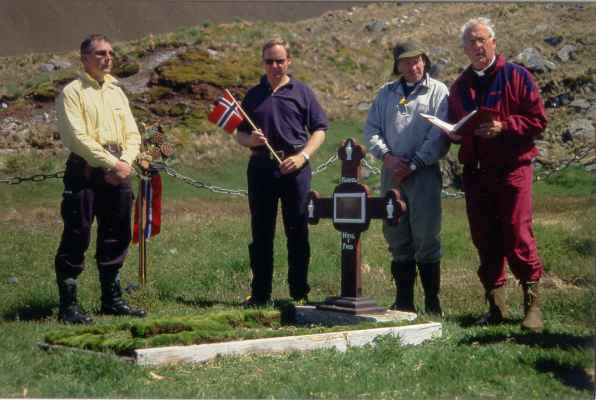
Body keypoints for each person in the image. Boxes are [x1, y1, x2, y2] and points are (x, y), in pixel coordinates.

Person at [446, 18, 547, 332]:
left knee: (517, 233)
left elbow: (538, 121)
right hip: (476, 174)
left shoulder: (517, 76)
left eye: (481, 40)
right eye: (471, 42)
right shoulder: (460, 86)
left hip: (513, 169)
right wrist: (454, 134)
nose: (477, 47)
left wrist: (505, 126)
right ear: (464, 49)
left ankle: (533, 306)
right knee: (484, 237)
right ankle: (496, 305)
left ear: (493, 41)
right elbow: (455, 125)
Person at [54, 34, 146, 324]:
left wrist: (125, 163)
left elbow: (132, 133)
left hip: (119, 171)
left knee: (117, 233)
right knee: (77, 234)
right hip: (86, 172)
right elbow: (76, 137)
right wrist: (111, 163)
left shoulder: (117, 91)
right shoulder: (72, 92)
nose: (107, 58)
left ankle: (112, 299)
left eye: (110, 53)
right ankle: (69, 305)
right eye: (100, 54)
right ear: (84, 59)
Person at [236, 37, 328, 306]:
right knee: (261, 233)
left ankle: (299, 293)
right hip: (261, 168)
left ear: (289, 61)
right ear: (263, 64)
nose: (275, 66)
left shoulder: (303, 92)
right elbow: (239, 133)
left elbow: (320, 130)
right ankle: (260, 294)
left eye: (280, 60)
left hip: (295, 169)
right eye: (269, 61)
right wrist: (249, 141)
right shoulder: (253, 94)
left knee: (297, 230)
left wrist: (302, 157)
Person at [363, 41, 450, 315]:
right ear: (397, 65)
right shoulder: (386, 94)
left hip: (423, 173)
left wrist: (414, 163)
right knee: (396, 236)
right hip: (392, 173)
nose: (412, 67)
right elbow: (371, 129)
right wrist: (387, 156)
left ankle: (432, 304)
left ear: (424, 61)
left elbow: (439, 134)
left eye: (417, 61)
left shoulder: (438, 92)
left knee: (426, 237)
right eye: (405, 62)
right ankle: (403, 301)